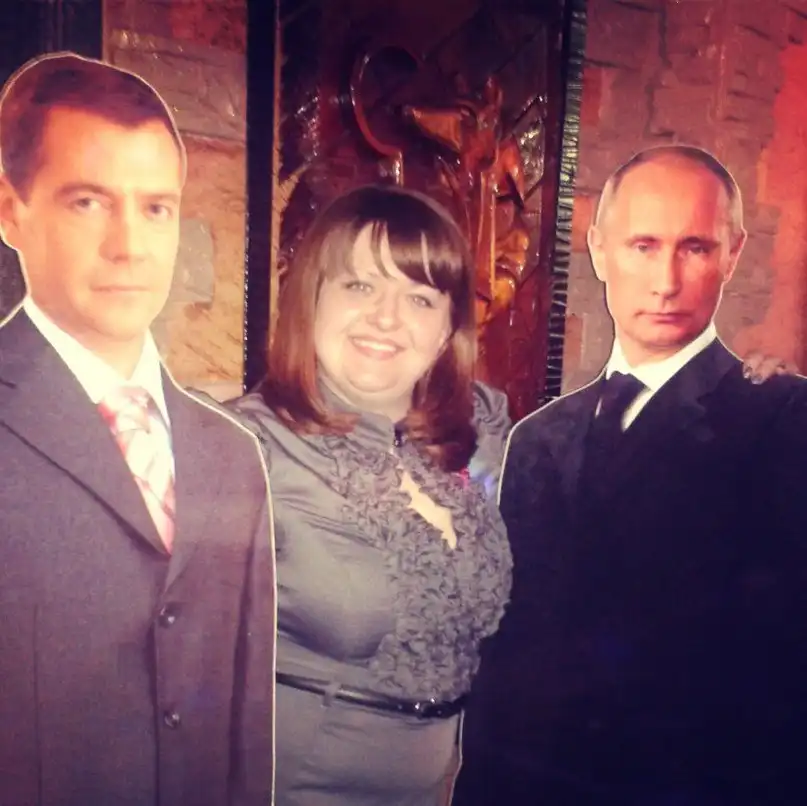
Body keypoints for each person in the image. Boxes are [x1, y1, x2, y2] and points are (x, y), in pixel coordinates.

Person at [453, 144, 807, 805]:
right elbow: (509, 660)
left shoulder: (784, 421)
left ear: (732, 254)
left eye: (694, 248)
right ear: (598, 248)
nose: (665, 281)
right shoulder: (538, 439)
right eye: (643, 246)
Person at [0, 52, 275, 806]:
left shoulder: (231, 455)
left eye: (155, 208)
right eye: (88, 201)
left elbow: (245, 724)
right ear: (11, 210)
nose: (129, 245)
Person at [222, 184, 513, 806]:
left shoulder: (484, 435)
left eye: (419, 297)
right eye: (359, 285)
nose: (386, 317)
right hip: (289, 787)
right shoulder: (244, 447)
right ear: (312, 298)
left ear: (446, 329)